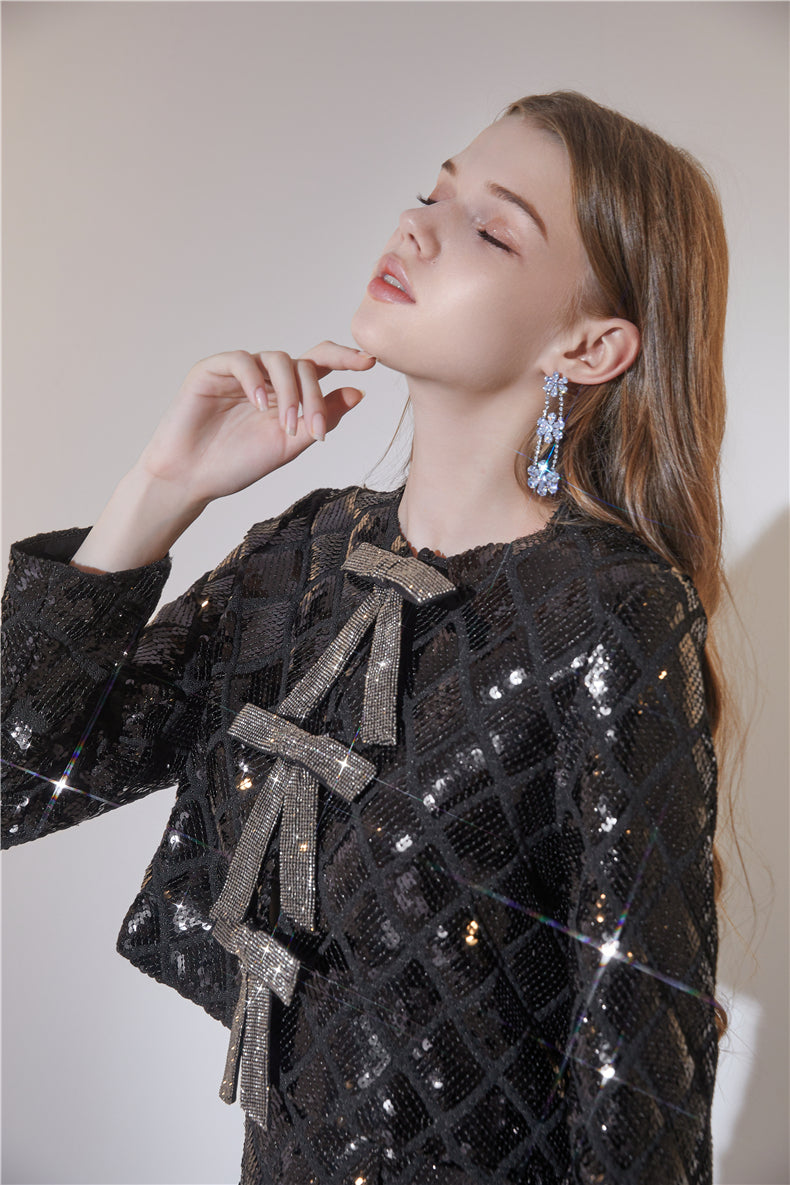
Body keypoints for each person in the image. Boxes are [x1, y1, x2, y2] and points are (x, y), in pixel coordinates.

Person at [2, 91, 728, 1184]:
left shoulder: (612, 612)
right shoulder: (306, 553)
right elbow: (16, 782)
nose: (418, 225)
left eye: (492, 228)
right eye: (431, 191)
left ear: (589, 345)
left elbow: (639, 1085)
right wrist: (162, 488)